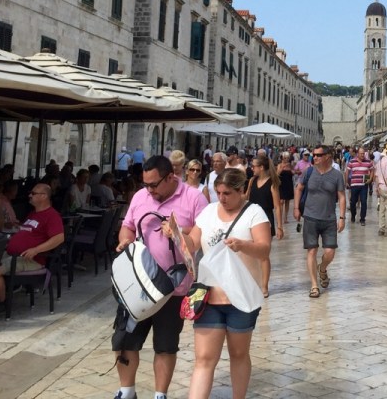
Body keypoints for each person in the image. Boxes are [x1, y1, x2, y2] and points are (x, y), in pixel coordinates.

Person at [112, 156, 209, 399]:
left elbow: (203, 239)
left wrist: (178, 233)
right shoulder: (140, 197)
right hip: (136, 286)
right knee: (124, 340)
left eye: (154, 185)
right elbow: (128, 225)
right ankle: (126, 391)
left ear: (170, 177)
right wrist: (125, 238)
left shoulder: (194, 198)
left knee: (165, 345)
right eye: (145, 184)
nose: (149, 190)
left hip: (172, 289)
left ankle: (160, 394)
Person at [184, 168, 272, 399]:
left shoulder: (255, 213)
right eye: (218, 192)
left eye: (227, 193)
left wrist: (243, 245)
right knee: (203, 358)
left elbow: (264, 250)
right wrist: (175, 234)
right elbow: (192, 243)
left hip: (241, 298)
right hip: (208, 297)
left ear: (242, 191)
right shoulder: (208, 212)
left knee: (238, 354)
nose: (221, 198)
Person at [0, 182, 64, 319]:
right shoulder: (33, 214)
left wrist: (36, 250)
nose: (29, 195)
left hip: (30, 259)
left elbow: (59, 237)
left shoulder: (52, 215)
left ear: (43, 196)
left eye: (33, 193)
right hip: (11, 253)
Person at [293, 145, 346, 298]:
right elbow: (299, 188)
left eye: (318, 155)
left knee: (330, 252)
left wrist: (342, 218)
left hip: (329, 218)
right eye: (313, 155)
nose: (314, 158)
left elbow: (342, 197)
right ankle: (314, 285)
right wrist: (296, 208)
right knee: (312, 251)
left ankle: (322, 268)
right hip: (310, 217)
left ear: (328, 156)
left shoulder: (337, 175)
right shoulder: (309, 171)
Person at [246, 153, 283, 296]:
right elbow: (246, 198)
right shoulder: (251, 181)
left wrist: (279, 226)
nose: (252, 168)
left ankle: (264, 286)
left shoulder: (272, 184)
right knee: (249, 254)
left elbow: (277, 206)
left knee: (263, 255)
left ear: (261, 167)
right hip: (250, 219)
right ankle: (253, 282)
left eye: (254, 166)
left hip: (265, 221)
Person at [345, 146, 375, 225]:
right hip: (354, 184)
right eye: (361, 153)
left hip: (364, 185)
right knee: (353, 202)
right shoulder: (352, 161)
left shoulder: (368, 161)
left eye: (363, 153)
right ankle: (353, 215)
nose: (362, 155)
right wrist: (346, 181)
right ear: (357, 154)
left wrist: (370, 179)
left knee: (364, 202)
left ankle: (362, 219)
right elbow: (347, 171)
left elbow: (372, 170)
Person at [277, 152, 295, 225]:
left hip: (288, 184)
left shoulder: (290, 165)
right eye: (285, 158)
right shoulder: (280, 165)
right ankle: (280, 217)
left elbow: (293, 173)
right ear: (282, 158)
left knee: (287, 201)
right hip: (281, 184)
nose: (286, 160)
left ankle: (285, 217)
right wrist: (283, 167)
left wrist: (291, 170)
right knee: (281, 201)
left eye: (287, 158)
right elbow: (277, 174)